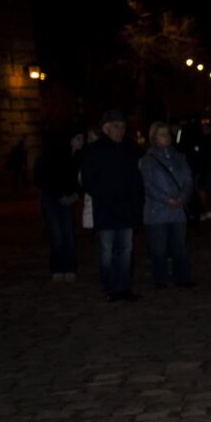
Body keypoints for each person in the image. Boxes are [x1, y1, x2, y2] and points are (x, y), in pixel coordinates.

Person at [80, 109, 144, 302]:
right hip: (107, 210)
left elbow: (136, 181)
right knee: (107, 252)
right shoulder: (94, 150)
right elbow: (88, 180)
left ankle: (124, 287)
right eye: (116, 126)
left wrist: (136, 204)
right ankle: (110, 287)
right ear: (106, 128)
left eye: (123, 127)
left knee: (126, 251)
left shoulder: (128, 150)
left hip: (126, 210)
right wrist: (105, 196)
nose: (120, 130)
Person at [140, 121, 194, 287]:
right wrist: (166, 199)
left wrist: (182, 197)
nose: (166, 137)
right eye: (162, 134)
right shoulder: (148, 160)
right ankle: (159, 279)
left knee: (180, 246)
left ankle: (182, 278)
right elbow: (148, 185)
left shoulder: (179, 157)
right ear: (154, 138)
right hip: (157, 211)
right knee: (159, 248)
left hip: (178, 210)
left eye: (167, 134)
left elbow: (188, 180)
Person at [34, 129, 84, 282]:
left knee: (68, 233)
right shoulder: (55, 155)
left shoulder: (79, 157)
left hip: (67, 199)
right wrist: (60, 193)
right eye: (79, 138)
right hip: (52, 198)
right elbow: (42, 177)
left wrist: (75, 195)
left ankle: (69, 267)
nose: (82, 141)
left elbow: (81, 180)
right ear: (71, 140)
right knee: (57, 234)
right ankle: (57, 267)